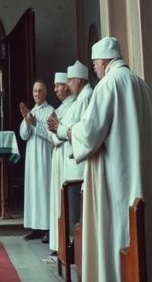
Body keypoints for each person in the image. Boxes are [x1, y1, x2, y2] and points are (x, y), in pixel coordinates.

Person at [68, 37, 152, 281]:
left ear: (104, 60)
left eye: (95, 63)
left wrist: (72, 132)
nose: (94, 68)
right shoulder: (141, 84)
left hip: (117, 178)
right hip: (142, 174)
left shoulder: (108, 84)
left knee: (119, 233)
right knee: (142, 233)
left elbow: (91, 132)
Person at [47, 61, 91, 251]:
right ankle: (72, 244)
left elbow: (78, 129)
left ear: (79, 80)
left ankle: (75, 246)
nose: (67, 83)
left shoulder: (84, 98)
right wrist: (57, 129)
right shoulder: (80, 99)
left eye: (70, 80)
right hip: (70, 157)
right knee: (70, 206)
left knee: (76, 209)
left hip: (76, 159)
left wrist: (58, 129)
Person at [19, 80, 54, 241]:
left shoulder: (50, 111)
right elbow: (23, 135)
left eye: (40, 91)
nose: (37, 94)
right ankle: (35, 227)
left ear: (45, 93)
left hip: (44, 156)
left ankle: (47, 227)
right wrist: (27, 120)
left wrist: (35, 123)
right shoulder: (31, 111)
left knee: (44, 190)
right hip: (32, 158)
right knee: (33, 190)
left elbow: (51, 135)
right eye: (35, 91)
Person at [46, 71, 72, 252]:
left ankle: (64, 243)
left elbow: (62, 134)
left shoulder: (72, 107)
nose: (55, 90)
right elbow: (53, 131)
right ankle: (58, 243)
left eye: (58, 86)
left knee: (63, 200)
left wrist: (54, 132)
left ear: (67, 86)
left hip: (64, 155)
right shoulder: (61, 108)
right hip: (57, 155)